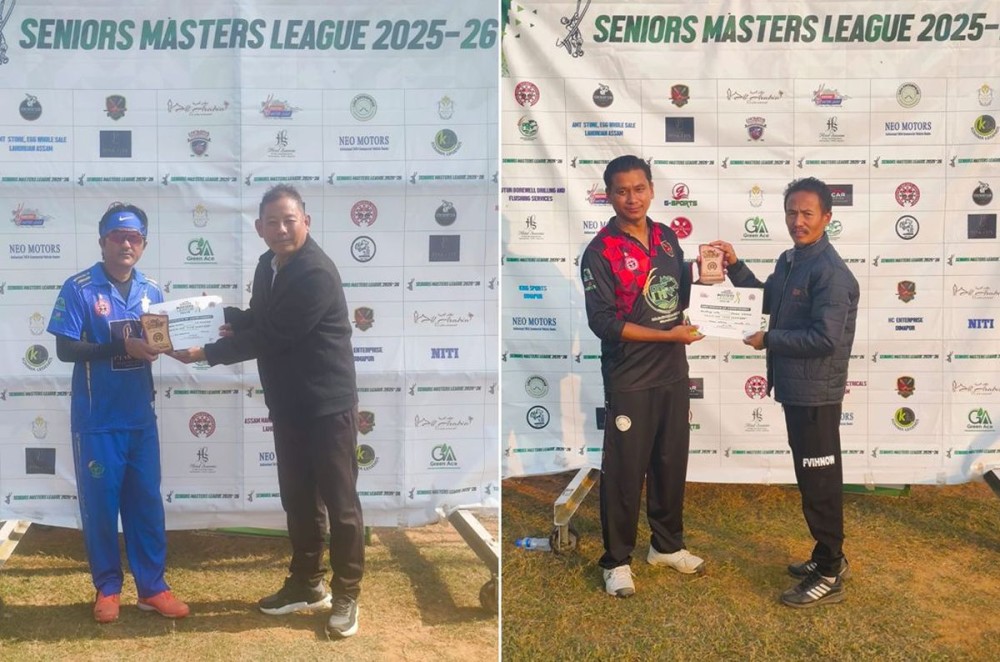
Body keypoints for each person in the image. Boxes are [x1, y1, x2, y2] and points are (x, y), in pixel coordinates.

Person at [170, 184, 363, 638]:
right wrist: (216, 314)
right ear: (259, 228)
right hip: (288, 404)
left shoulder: (316, 272)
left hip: (328, 407)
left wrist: (207, 353)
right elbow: (261, 317)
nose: (281, 229)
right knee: (298, 500)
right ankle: (307, 584)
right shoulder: (267, 264)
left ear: (306, 222)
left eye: (289, 220)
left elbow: (274, 336)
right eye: (272, 222)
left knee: (341, 506)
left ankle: (347, 593)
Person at [711, 176, 859, 608]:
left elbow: (824, 338)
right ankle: (828, 557)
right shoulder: (791, 259)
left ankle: (829, 572)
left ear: (826, 217)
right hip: (798, 391)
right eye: (792, 212)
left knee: (820, 483)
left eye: (807, 213)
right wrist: (735, 266)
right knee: (812, 479)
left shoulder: (831, 273)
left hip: (816, 396)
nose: (798, 221)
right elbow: (767, 300)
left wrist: (769, 340)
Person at [47, 203, 189, 623]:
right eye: (118, 236)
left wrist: (187, 346)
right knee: (101, 509)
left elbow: (160, 342)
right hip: (97, 420)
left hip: (139, 417)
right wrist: (121, 346)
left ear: (143, 244)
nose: (126, 244)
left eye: (134, 238)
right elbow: (65, 349)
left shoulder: (153, 291)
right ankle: (107, 588)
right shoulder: (79, 288)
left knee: (146, 505)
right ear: (102, 242)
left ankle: (153, 588)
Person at [580, 155, 706, 598]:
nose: (631, 198)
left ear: (651, 189)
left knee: (670, 462)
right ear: (609, 195)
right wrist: (666, 335)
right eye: (621, 191)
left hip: (672, 371)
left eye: (639, 189)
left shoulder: (667, 238)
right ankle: (616, 561)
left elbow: (678, 293)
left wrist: (710, 271)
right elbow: (604, 323)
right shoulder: (600, 251)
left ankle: (666, 545)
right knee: (625, 472)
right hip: (629, 375)